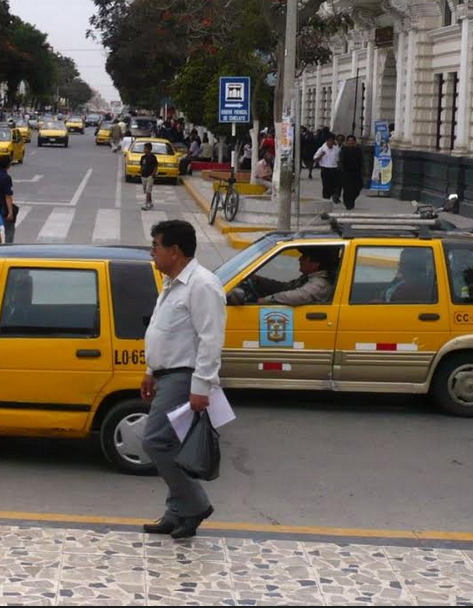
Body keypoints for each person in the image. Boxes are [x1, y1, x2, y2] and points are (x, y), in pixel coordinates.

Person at [140, 220, 225, 540]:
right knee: (172, 446)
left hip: (185, 376)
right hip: (166, 374)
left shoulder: (202, 285)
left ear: (174, 251)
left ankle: (195, 504)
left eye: (156, 246)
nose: (152, 252)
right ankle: (176, 512)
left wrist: (201, 386)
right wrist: (150, 371)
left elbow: (210, 338)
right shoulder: (171, 283)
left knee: (155, 441)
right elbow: (164, 331)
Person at [228, 247, 337, 306]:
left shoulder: (320, 284)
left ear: (315, 264)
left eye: (304, 257)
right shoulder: (308, 278)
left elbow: (297, 296)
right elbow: (285, 287)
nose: (299, 259)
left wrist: (267, 300)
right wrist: (260, 281)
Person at [314, 134, 341, 203]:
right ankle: (326, 198)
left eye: (332, 141)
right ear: (327, 141)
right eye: (329, 141)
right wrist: (321, 155)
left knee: (335, 184)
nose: (330, 143)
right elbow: (315, 159)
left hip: (334, 169)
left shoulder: (336, 149)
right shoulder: (322, 149)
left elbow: (338, 159)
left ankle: (335, 196)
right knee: (326, 185)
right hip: (325, 169)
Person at [339, 134, 364, 210]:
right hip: (346, 173)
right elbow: (342, 161)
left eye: (352, 140)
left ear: (355, 142)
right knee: (347, 189)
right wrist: (342, 171)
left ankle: (351, 200)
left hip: (356, 173)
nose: (351, 142)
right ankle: (348, 203)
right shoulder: (344, 150)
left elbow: (361, 161)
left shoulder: (358, 150)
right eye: (349, 141)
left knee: (357, 188)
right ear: (347, 142)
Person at [140, 142, 159, 211]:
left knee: (148, 190)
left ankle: (146, 204)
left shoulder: (153, 157)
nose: (144, 150)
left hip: (150, 176)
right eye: (144, 148)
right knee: (147, 190)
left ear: (149, 149)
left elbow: (156, 166)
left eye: (145, 148)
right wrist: (141, 173)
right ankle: (150, 202)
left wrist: (152, 174)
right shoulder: (143, 157)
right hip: (143, 176)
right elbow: (141, 166)